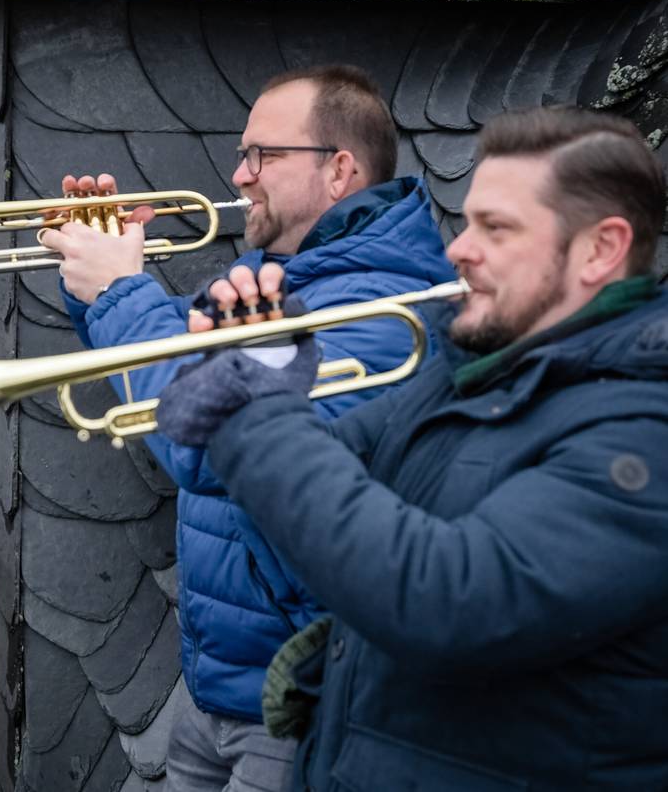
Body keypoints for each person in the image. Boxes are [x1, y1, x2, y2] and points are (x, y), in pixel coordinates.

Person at [156, 106, 668, 790]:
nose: (459, 247)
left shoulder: (643, 431)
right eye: (470, 220)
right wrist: (241, 370)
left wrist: (254, 406)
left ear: (601, 250)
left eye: (497, 228)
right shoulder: (473, 374)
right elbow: (320, 470)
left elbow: (444, 599)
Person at [40, 65, 455, 790]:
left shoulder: (379, 307)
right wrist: (96, 271)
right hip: (219, 686)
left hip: (298, 701)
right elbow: (185, 362)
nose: (239, 174)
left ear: (340, 171)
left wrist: (119, 289)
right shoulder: (287, 269)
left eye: (263, 154)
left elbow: (205, 439)